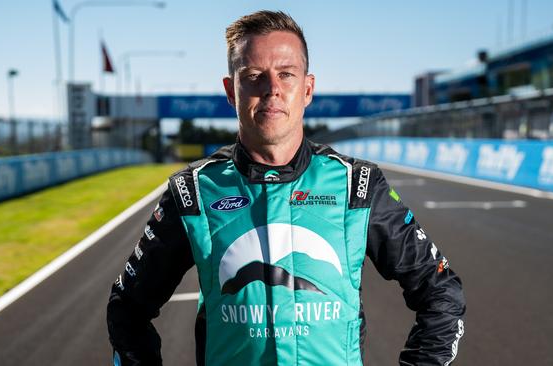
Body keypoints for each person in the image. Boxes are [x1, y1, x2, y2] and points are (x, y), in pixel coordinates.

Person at [107, 10, 465, 366]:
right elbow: (127, 308)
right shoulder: (194, 192)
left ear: (307, 89)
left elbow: (440, 292)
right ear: (231, 91)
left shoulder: (358, 186)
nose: (272, 89)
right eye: (254, 76)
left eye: (286, 74)